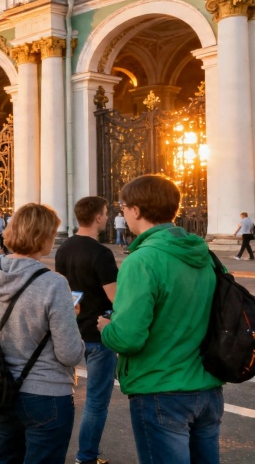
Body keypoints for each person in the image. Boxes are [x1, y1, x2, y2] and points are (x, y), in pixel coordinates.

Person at [98, 174, 224, 464]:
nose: (123, 213)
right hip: (207, 386)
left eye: (123, 207)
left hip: (160, 388)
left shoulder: (142, 260)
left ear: (137, 210)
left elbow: (129, 337)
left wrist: (106, 329)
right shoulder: (204, 254)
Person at [0, 203, 85, 464]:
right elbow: (69, 354)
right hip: (47, 394)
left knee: (5, 458)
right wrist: (73, 320)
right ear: (42, 235)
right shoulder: (53, 283)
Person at [55, 197, 118, 464]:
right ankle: (86, 456)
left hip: (72, 329)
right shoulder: (101, 253)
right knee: (96, 402)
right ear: (98, 217)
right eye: (105, 212)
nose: (106, 216)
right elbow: (116, 298)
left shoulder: (64, 248)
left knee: (62, 395)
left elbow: (64, 291)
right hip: (98, 333)